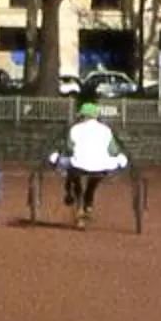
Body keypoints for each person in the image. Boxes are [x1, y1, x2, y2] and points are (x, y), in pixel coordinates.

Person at [57, 98, 129, 229]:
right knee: (95, 177)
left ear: (82, 116)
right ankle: (88, 203)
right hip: (101, 166)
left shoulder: (75, 129)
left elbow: (69, 148)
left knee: (66, 166)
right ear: (96, 116)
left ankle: (78, 204)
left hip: (79, 165)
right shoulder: (106, 130)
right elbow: (113, 150)